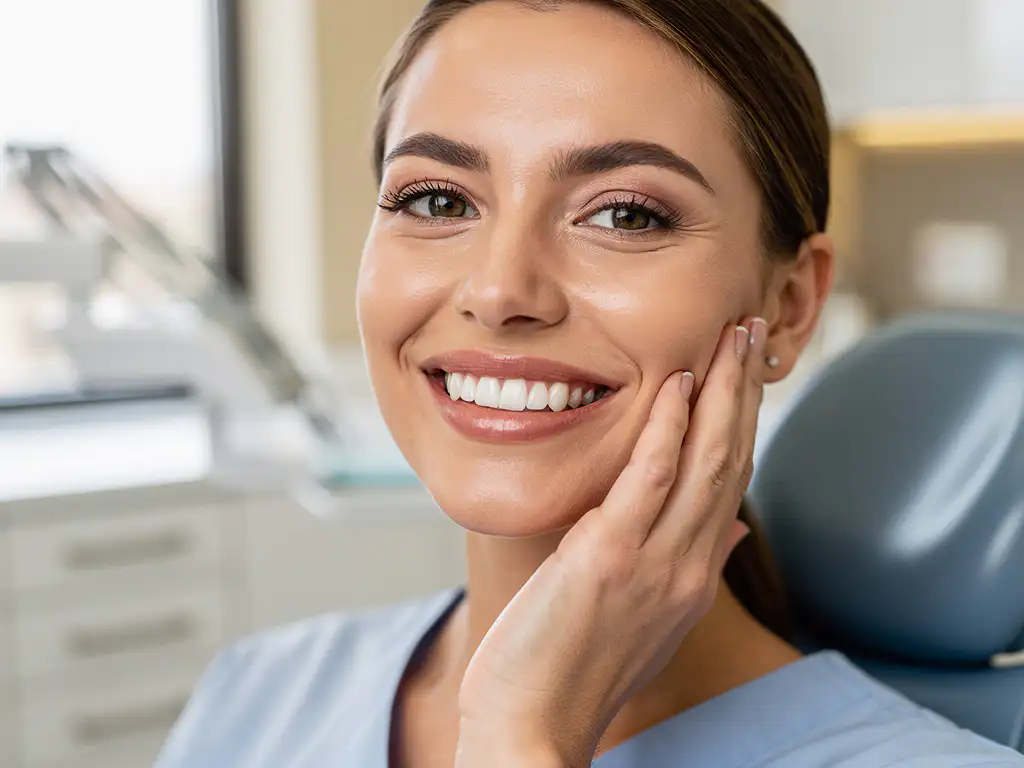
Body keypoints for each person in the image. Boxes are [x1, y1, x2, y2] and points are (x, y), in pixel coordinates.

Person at [156, 1, 1024, 766]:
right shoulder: (257, 697)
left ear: (790, 307)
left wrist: (523, 733)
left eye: (625, 214)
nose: (500, 290)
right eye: (438, 201)